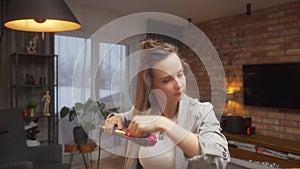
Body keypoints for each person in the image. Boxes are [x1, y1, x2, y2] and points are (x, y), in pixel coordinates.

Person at [104, 39, 230, 169]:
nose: (179, 84)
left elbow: (219, 159)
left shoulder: (203, 112)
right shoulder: (146, 110)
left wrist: (164, 124)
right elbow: (127, 117)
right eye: (167, 80)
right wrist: (116, 118)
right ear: (151, 86)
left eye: (180, 74)